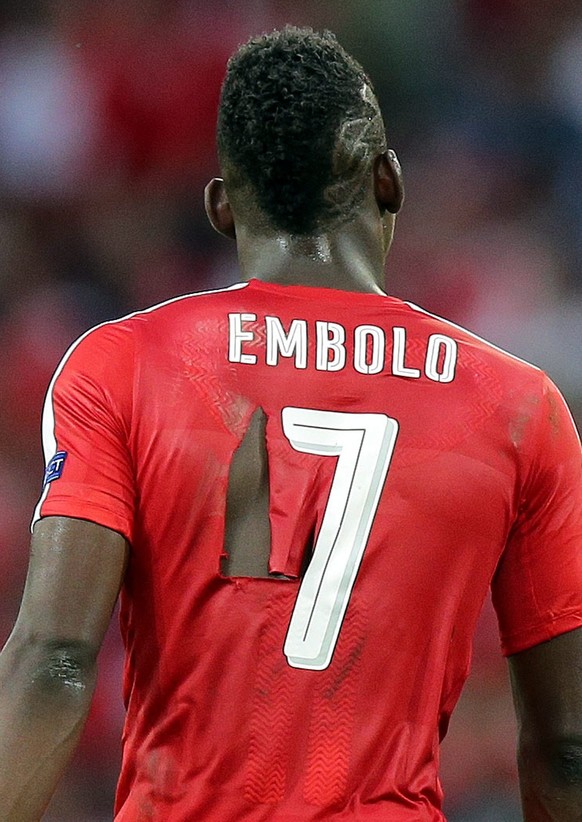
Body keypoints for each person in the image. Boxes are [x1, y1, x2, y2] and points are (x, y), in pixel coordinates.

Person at [1, 25, 582, 822]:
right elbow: (566, 745)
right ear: (388, 180)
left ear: (218, 207)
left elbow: (54, 658)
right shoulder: (518, 406)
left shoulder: (124, 364)